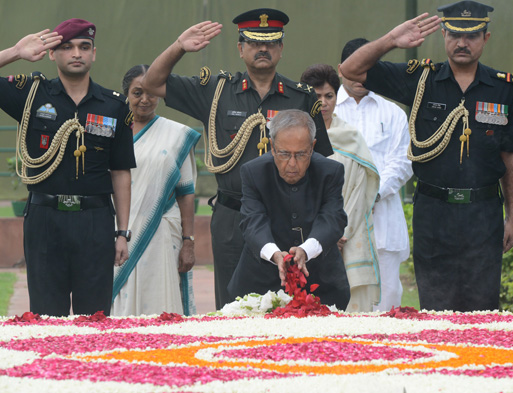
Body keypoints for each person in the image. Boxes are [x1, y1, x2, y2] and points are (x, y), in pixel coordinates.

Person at [340, 1, 513, 312]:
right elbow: (350, 69)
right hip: (434, 213)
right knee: (435, 311)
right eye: (454, 35)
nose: (462, 43)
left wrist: (511, 217)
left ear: (486, 37)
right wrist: (391, 40)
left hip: (483, 214)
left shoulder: (503, 88)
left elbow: (511, 157)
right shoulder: (421, 79)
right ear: (443, 34)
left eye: (471, 36)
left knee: (482, 313)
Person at [142, 9, 333, 309]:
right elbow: (152, 83)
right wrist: (179, 46)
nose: (263, 49)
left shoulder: (301, 98)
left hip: (285, 217)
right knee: (232, 307)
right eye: (254, 42)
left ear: (281, 49)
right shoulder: (216, 91)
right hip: (234, 217)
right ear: (240, 48)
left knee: (287, 304)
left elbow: (322, 166)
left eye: (270, 43)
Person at [0, 19, 136, 316]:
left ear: (94, 54)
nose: (76, 53)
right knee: (46, 318)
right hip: (45, 220)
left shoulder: (114, 105)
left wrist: (122, 233)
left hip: (95, 221)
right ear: (52, 54)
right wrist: (15, 52)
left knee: (95, 318)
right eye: (67, 47)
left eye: (84, 47)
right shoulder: (32, 95)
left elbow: (121, 171)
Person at [227, 110, 350, 310]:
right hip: (259, 284)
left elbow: (333, 218)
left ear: (312, 147)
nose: (292, 164)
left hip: (322, 285)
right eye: (284, 154)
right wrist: (276, 255)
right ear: (272, 147)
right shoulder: (252, 172)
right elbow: (252, 221)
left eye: (301, 154)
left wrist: (306, 250)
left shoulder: (331, 172)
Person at [111, 65, 200, 316]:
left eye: (152, 92)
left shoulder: (177, 135)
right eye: (137, 92)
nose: (145, 99)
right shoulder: (112, 131)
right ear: (126, 94)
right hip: (118, 233)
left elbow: (186, 192)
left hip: (161, 233)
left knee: (161, 304)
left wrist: (188, 242)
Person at [335, 38, 413, 312]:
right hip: (336, 222)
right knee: (337, 310)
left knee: (386, 307)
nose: (361, 77)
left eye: (370, 68)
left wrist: (372, 193)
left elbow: (403, 163)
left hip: (383, 223)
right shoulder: (326, 110)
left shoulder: (393, 113)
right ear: (341, 69)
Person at [300, 64, 381, 312]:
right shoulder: (292, 136)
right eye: (316, 97)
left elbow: (359, 192)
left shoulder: (350, 137)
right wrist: (318, 236)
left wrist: (337, 232)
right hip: (302, 237)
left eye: (329, 96)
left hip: (346, 235)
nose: (323, 103)